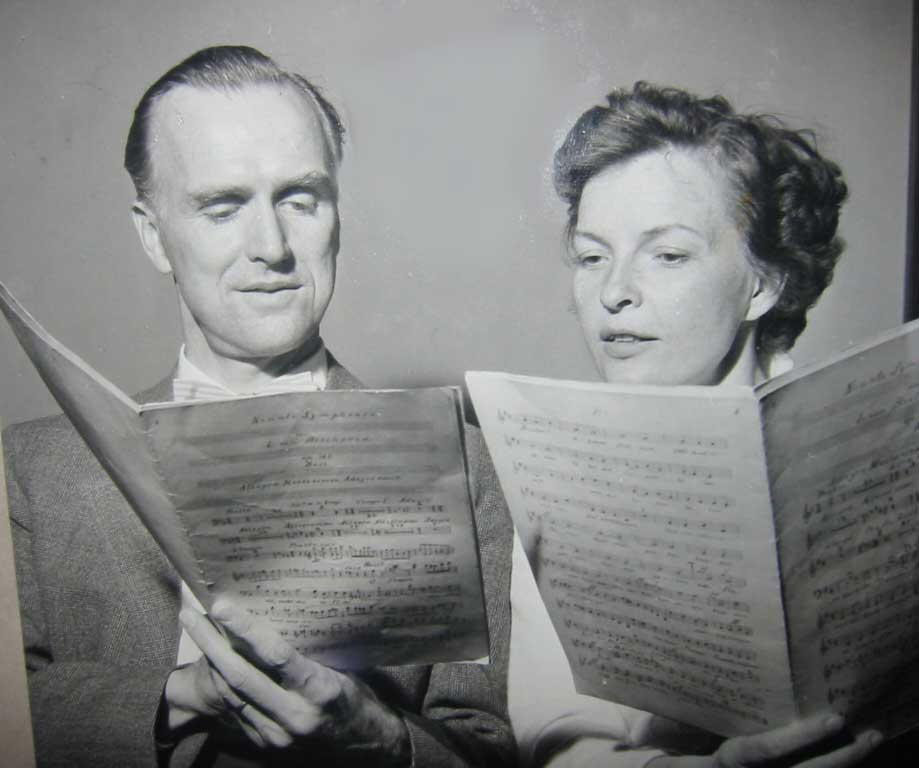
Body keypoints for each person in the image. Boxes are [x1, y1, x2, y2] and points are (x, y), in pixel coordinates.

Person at [4, 45, 514, 768]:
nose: (271, 246)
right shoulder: (32, 470)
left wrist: (377, 736)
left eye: (300, 199)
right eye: (223, 207)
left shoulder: (464, 459)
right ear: (153, 236)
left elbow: (489, 745)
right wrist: (178, 698)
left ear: (337, 216)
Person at [508, 82, 885, 767]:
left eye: (668, 254)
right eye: (592, 256)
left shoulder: (875, 458)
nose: (614, 292)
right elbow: (558, 735)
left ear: (762, 283)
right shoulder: (551, 475)